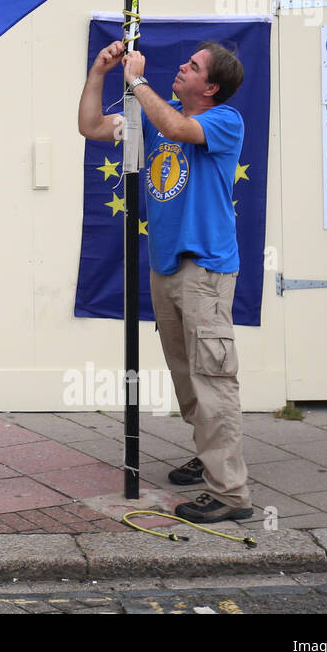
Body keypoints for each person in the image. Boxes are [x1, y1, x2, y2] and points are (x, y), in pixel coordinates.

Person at [78, 39, 252, 524]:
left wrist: (136, 81)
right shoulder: (158, 116)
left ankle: (231, 493)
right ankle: (210, 457)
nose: (182, 66)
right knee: (187, 378)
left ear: (211, 86)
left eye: (193, 66)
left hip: (205, 268)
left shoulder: (223, 120)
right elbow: (91, 127)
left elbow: (178, 127)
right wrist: (100, 73)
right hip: (167, 266)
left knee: (213, 379)